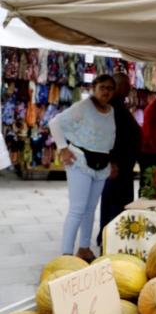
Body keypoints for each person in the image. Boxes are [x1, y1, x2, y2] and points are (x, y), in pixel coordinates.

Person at [49, 74, 116, 261]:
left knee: (90, 209)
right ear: (94, 88)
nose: (106, 91)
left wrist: (111, 161)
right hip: (80, 160)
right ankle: (66, 255)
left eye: (110, 88)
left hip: (102, 164)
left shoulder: (110, 110)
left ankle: (84, 248)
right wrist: (63, 149)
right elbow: (55, 123)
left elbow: (106, 138)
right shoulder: (83, 106)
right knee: (77, 209)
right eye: (102, 87)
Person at [96, 73, 141, 247]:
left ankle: (112, 236)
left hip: (124, 166)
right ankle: (109, 238)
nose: (129, 88)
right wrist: (111, 162)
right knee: (113, 203)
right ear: (118, 86)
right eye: (127, 85)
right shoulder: (111, 108)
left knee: (117, 202)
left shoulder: (118, 106)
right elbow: (108, 137)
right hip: (116, 166)